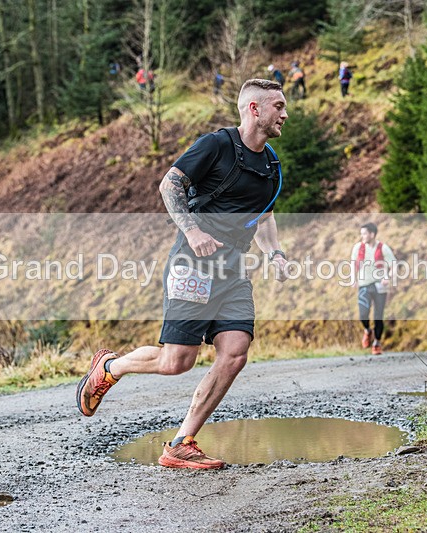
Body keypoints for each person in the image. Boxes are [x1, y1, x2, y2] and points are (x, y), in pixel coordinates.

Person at [76, 79, 288, 469]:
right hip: (193, 263)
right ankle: (110, 367)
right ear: (254, 109)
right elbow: (169, 183)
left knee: (235, 353)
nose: (285, 114)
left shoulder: (271, 164)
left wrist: (275, 253)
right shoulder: (216, 145)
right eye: (278, 106)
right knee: (177, 362)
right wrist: (192, 230)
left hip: (233, 271)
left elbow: (266, 216)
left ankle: (181, 442)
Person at [350, 222, 396, 355]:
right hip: (364, 284)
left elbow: (394, 265)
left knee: (378, 316)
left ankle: (376, 343)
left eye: (364, 233)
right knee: (363, 314)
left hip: (379, 285)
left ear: (372, 234)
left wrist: (388, 277)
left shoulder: (383, 248)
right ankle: (367, 331)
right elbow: (353, 264)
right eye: (361, 233)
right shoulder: (358, 247)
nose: (362, 236)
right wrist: (353, 279)